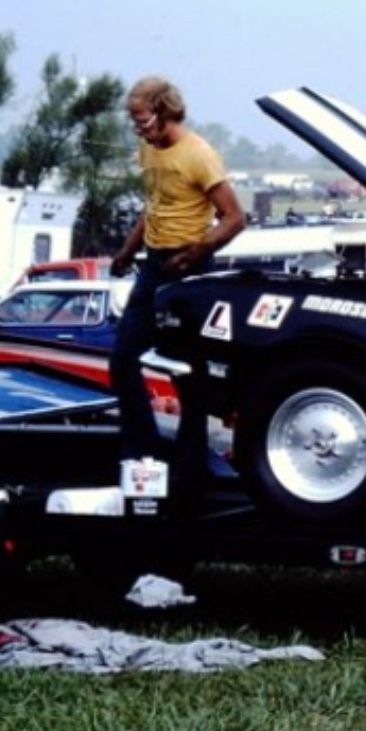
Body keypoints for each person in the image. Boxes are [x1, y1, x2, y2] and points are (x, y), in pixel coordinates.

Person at [109, 76, 247, 499]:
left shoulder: (199, 155)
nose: (138, 127)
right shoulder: (147, 149)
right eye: (133, 120)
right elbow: (155, 206)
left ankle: (191, 469)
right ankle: (145, 451)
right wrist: (127, 251)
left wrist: (194, 252)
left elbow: (234, 218)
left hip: (191, 265)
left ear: (164, 110)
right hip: (154, 262)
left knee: (191, 374)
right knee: (122, 359)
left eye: (142, 118)